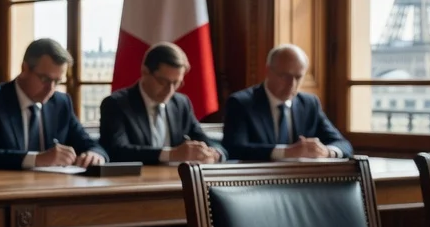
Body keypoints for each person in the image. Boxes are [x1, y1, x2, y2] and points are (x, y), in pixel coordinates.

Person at [0, 39, 108, 170]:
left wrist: (95, 154)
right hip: (4, 185)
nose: (51, 88)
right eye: (45, 79)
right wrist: (36, 159)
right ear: (24, 69)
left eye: (57, 82)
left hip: (55, 185)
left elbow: (88, 143)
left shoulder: (61, 103)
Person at [99, 42, 226, 165]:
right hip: (134, 178)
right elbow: (117, 151)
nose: (170, 90)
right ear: (145, 72)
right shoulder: (116, 104)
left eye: (176, 83)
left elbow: (202, 138)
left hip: (176, 177)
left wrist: (215, 153)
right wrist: (171, 154)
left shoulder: (181, 103)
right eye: (163, 82)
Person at [223, 44, 353, 161]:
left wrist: (327, 152)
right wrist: (286, 152)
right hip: (258, 178)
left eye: (298, 77)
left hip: (303, 178)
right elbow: (235, 149)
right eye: (285, 76)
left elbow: (343, 144)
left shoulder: (309, 104)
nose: (292, 84)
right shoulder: (241, 103)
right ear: (268, 71)